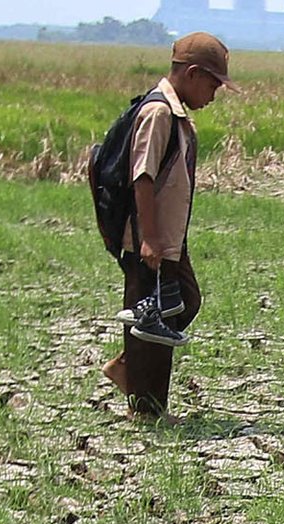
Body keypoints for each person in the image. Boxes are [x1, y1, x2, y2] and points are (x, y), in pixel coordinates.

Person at [101, 31, 238, 423]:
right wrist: (151, 239)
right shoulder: (159, 112)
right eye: (213, 84)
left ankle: (128, 368)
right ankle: (147, 410)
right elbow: (141, 176)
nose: (214, 95)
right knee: (154, 324)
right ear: (193, 74)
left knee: (180, 305)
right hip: (152, 239)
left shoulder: (175, 113)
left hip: (168, 239)